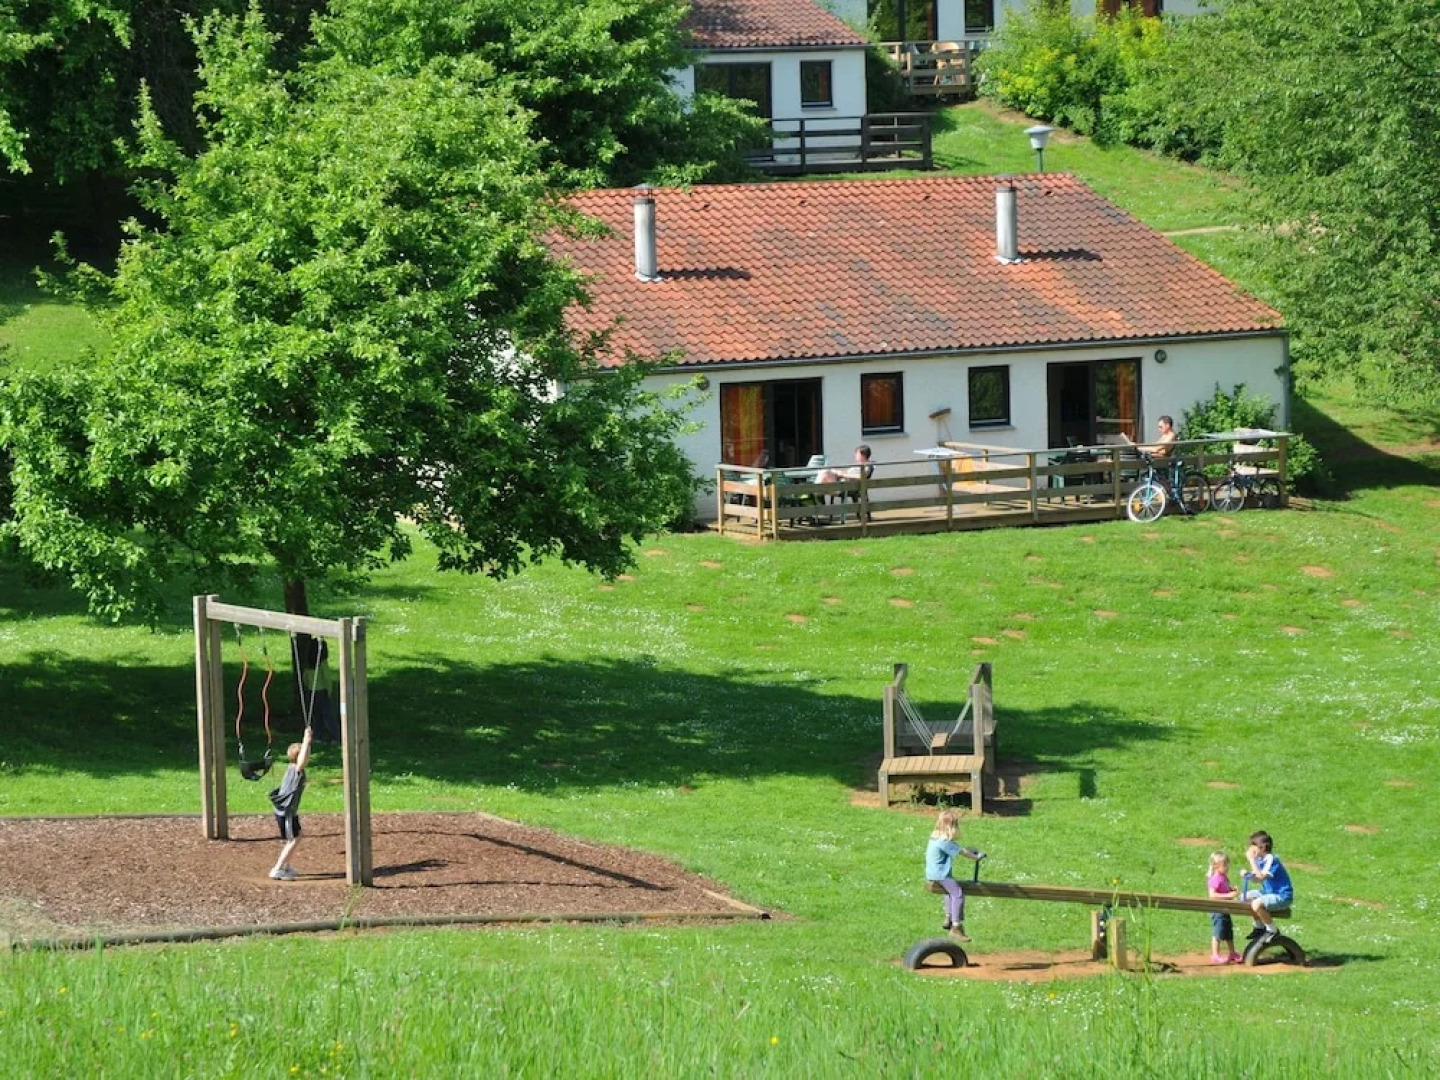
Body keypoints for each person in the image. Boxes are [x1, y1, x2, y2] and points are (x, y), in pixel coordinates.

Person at [924, 809, 985, 943]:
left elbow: (958, 848)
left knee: (948, 892)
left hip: (932, 873)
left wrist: (970, 851)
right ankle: (956, 927)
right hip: (941, 874)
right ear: (952, 826)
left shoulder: (935, 837)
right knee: (957, 893)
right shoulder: (944, 841)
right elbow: (962, 851)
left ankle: (948, 918)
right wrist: (976, 857)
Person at [268, 726, 314, 881]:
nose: (308, 755)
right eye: (306, 753)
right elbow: (302, 761)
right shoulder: (297, 769)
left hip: (286, 811)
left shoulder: (291, 768)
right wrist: (306, 740)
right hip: (286, 813)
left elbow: (302, 761)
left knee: (297, 836)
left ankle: (286, 867)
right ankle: (278, 868)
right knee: (294, 839)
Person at [1242, 830, 1294, 943]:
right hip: (1268, 893)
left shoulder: (1272, 860)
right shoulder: (1260, 860)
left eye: (1253, 847)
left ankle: (1272, 930)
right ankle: (1259, 926)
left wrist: (1251, 860)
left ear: (1263, 847)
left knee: (1256, 904)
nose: (1250, 850)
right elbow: (1256, 879)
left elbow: (1260, 877)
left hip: (1282, 896)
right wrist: (1248, 875)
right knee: (1245, 897)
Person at [1206, 851, 1242, 964]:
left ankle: (1232, 953)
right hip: (1217, 909)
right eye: (1224, 865)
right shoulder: (1215, 878)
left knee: (1228, 931)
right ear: (1216, 866)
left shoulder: (1223, 877)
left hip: (1224, 909)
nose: (1227, 867)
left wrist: (1231, 890)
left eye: (1228, 864)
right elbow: (1212, 895)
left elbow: (1224, 890)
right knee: (1218, 932)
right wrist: (1229, 895)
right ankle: (1215, 954)